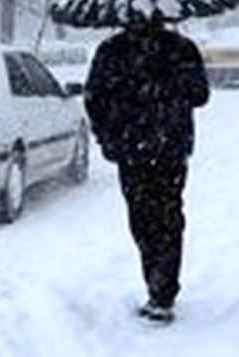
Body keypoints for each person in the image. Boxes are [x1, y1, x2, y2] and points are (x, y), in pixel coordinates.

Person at [84, 18, 210, 324]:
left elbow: (93, 100)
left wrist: (108, 137)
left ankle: (158, 285)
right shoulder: (180, 48)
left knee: (143, 217)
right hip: (168, 149)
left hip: (135, 150)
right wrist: (172, 84)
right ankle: (162, 289)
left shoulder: (112, 50)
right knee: (168, 216)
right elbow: (200, 95)